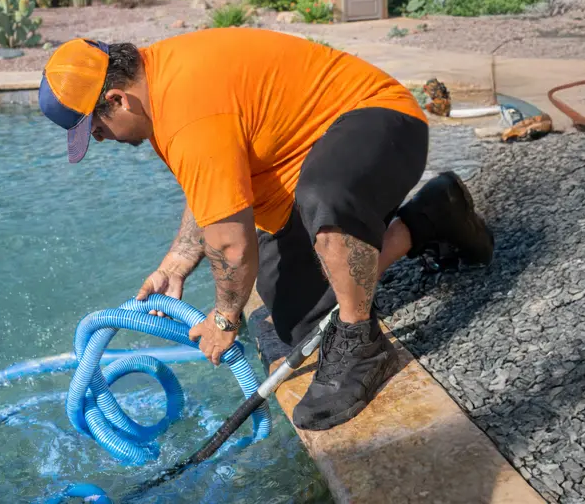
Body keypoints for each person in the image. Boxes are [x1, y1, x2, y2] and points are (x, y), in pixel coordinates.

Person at [37, 28, 494, 431]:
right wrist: (178, 260)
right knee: (296, 321)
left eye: (94, 128)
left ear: (117, 100)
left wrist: (223, 318)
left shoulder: (187, 110)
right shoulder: (159, 90)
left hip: (381, 122)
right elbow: (211, 189)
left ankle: (361, 344)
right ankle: (432, 215)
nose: (99, 140)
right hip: (312, 154)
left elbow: (234, 249)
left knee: (326, 199)